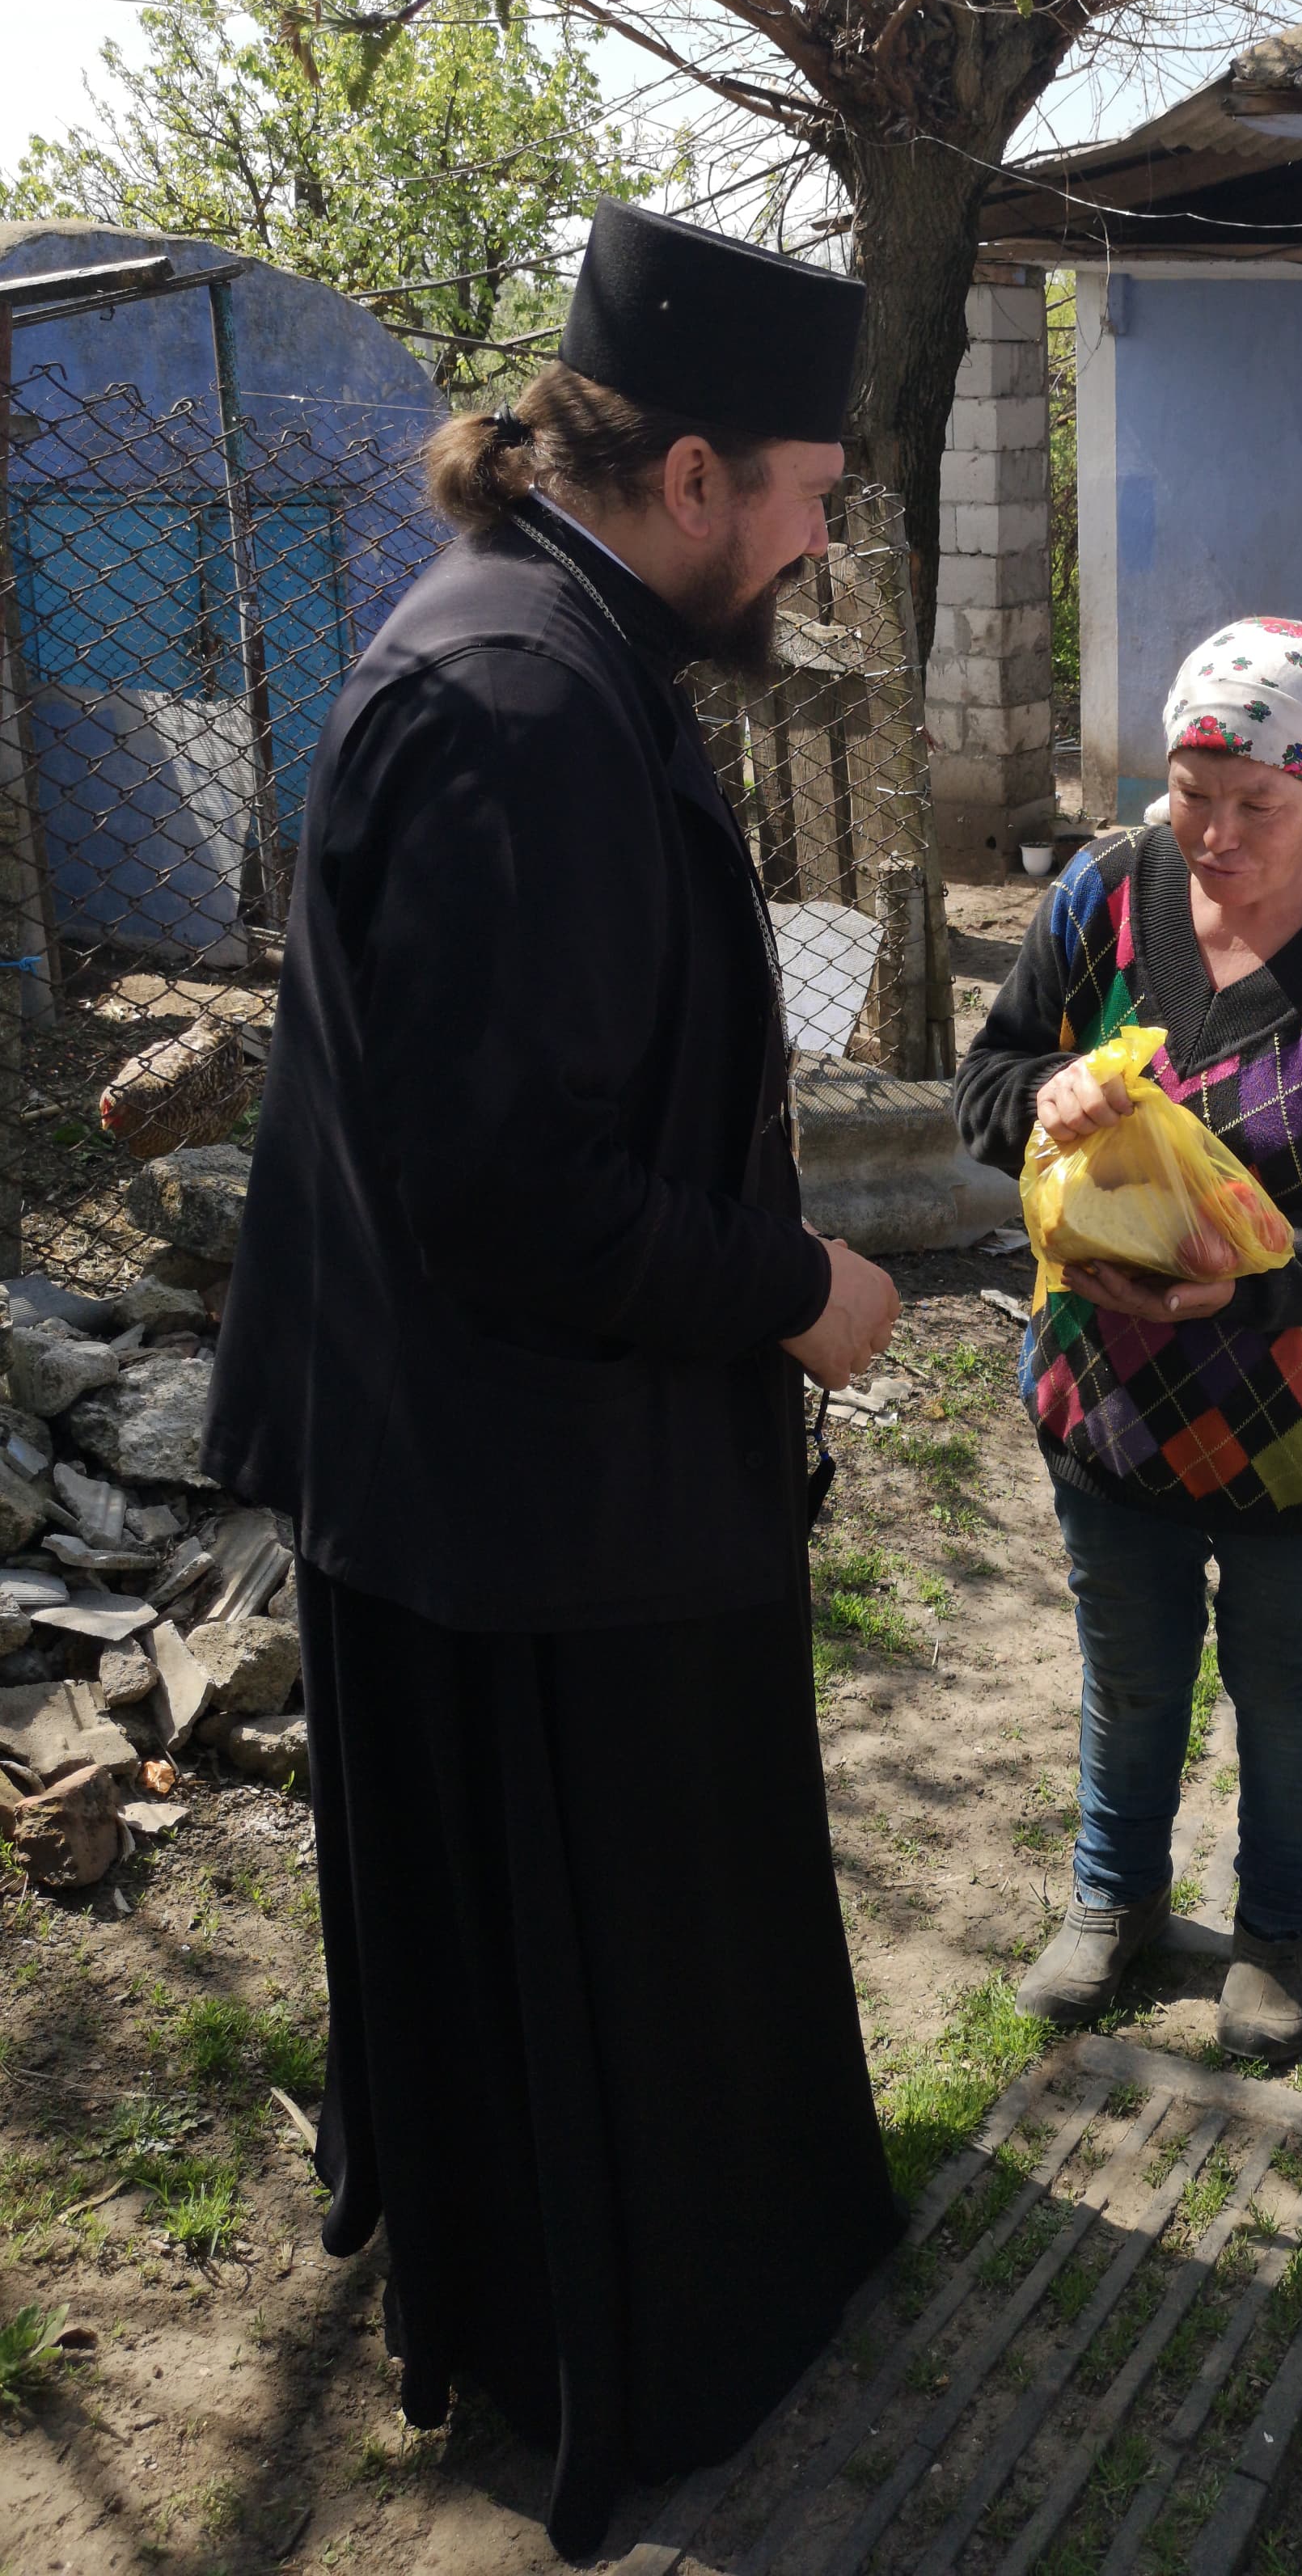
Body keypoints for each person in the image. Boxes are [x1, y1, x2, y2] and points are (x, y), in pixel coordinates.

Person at [205, 200, 905, 2558]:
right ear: (691, 475)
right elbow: (511, 1188)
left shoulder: (558, 641)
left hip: (533, 1467)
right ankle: (628, 2346)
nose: (818, 547)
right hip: (521, 1503)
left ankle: (692, 2273)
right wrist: (795, 1288)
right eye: (809, 497)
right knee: (599, 1958)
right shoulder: (518, 703)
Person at [956, 619, 1302, 2064]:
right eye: (1193, 793)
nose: (1219, 833)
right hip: (1104, 1395)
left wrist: (1245, 1291)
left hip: (1295, 1416)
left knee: (1285, 1682)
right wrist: (1049, 1090)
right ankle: (1111, 1901)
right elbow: (985, 1081)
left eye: (1260, 803)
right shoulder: (1104, 897)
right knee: (1129, 1667)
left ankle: (1279, 1934)